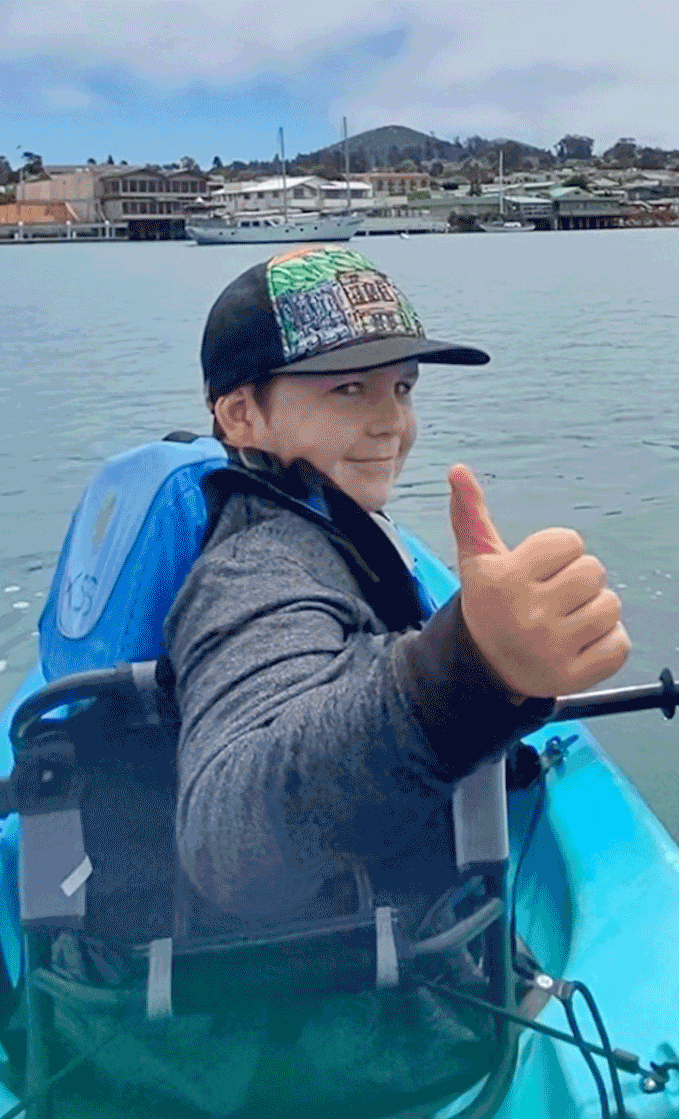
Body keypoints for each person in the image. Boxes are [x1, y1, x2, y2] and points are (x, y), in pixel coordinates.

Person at [166, 243, 631, 936]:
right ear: (240, 416)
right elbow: (228, 842)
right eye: (348, 389)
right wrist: (473, 668)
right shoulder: (258, 566)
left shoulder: (319, 520)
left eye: (402, 388)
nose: (391, 422)